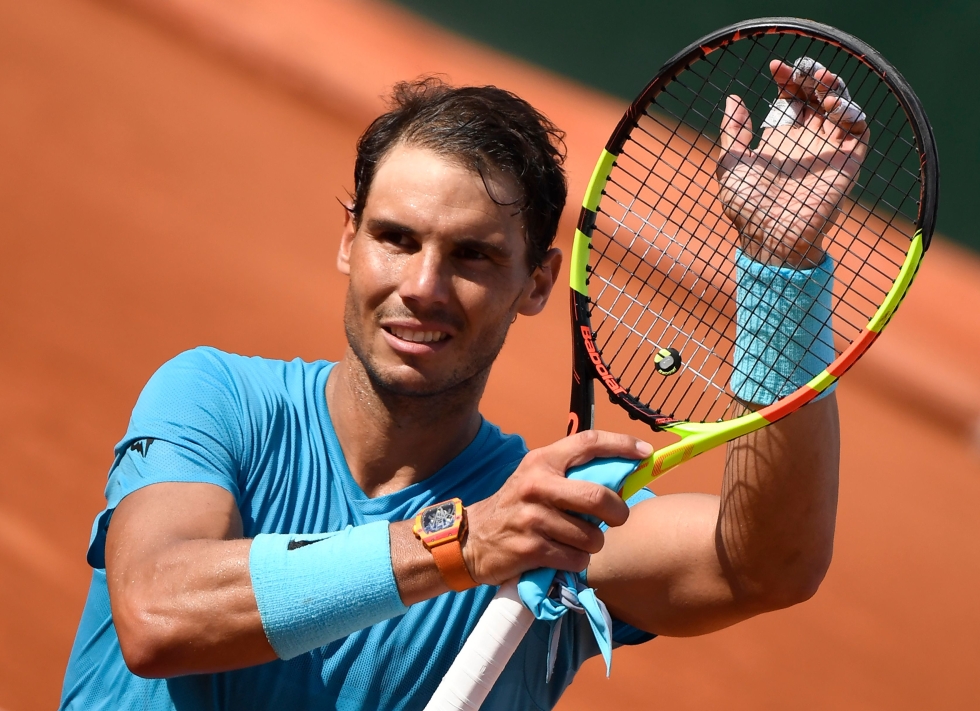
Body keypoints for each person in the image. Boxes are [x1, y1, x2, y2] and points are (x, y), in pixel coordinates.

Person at [60, 66, 862, 710]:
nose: (423, 286)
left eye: (473, 256)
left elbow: (766, 565)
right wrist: (463, 544)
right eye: (396, 239)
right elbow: (158, 614)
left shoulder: (551, 524)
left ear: (538, 280)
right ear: (350, 240)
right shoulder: (216, 397)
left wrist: (779, 266)